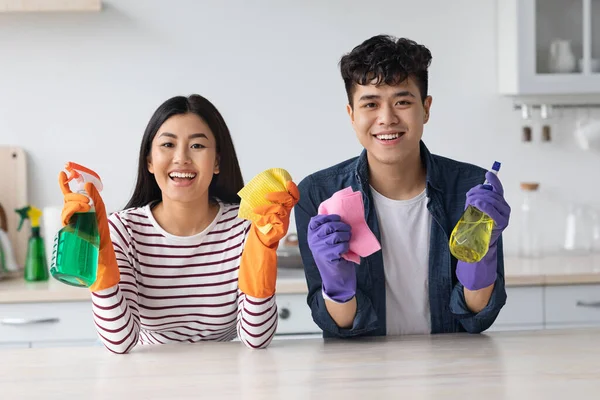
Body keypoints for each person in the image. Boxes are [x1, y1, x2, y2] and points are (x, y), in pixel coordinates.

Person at [294, 35, 511, 337]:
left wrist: (482, 255)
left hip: (453, 370)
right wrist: (336, 283)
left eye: (403, 102)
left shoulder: (471, 188)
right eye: (370, 103)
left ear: (425, 108)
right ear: (351, 115)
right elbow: (342, 327)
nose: (386, 118)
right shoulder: (317, 195)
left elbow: (475, 318)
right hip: (363, 373)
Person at [59, 94, 298, 353]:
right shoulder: (122, 231)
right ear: (149, 161)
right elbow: (120, 342)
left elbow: (256, 339)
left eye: (197, 146)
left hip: (225, 375)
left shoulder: (245, 227)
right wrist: (98, 259)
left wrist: (262, 249)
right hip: (145, 373)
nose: (181, 157)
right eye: (168, 144)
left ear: (217, 161)